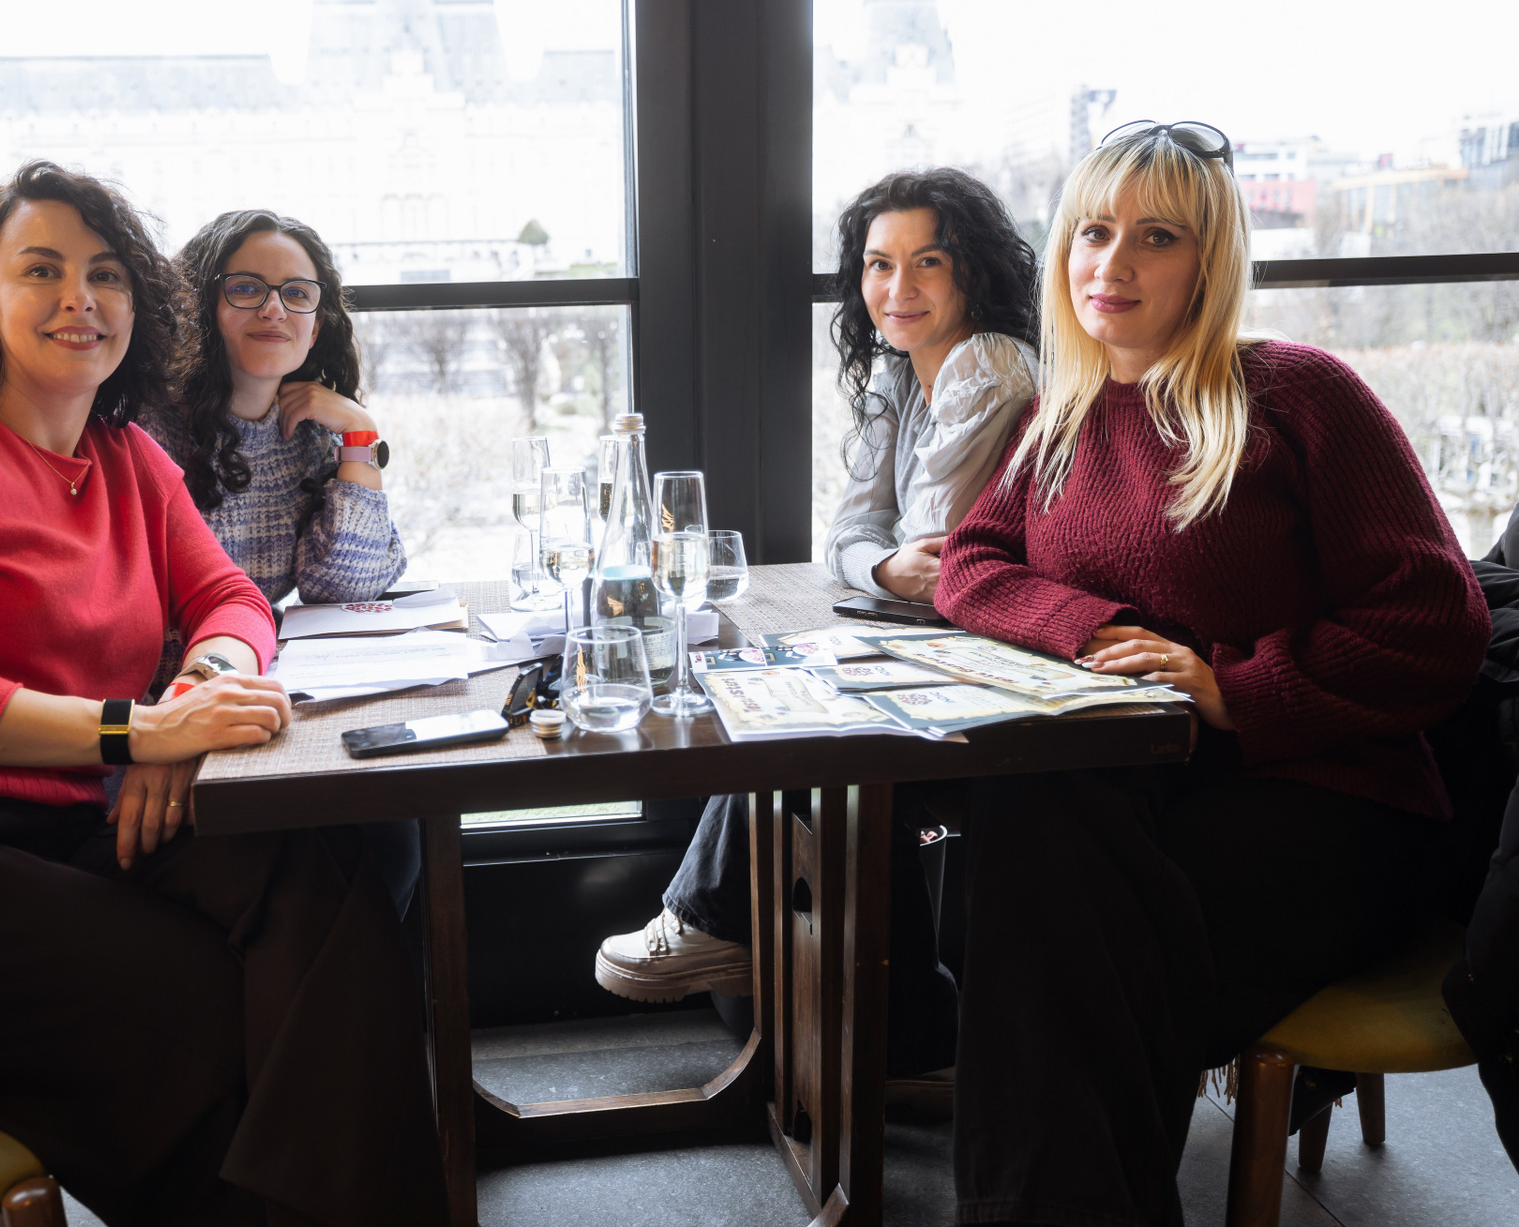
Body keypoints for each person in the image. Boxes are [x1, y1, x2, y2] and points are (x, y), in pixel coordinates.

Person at [0, 162, 448, 1227]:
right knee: (198, 990)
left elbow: (233, 603)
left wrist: (193, 702)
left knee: (320, 868)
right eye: (42, 270)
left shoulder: (130, 460)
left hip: (52, 828)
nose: (82, 298)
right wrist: (136, 731)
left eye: (107, 274)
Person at [934, 122, 1489, 1225]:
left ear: (1211, 260)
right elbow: (971, 563)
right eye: (1094, 232)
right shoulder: (1060, 414)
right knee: (1030, 860)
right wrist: (1095, 629)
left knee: (1043, 925)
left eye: (1158, 237)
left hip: (1326, 804)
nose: (1113, 263)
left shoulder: (1296, 396)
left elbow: (1438, 620)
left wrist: (1237, 687)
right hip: (1138, 797)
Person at [595, 169, 1039, 1083]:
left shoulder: (987, 363)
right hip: (939, 629)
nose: (897, 288)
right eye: (879, 264)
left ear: (976, 272)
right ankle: (901, 1035)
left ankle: (715, 926)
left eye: (929, 262)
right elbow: (853, 535)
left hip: (1008, 650)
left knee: (801, 707)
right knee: (780, 685)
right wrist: (878, 566)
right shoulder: (900, 370)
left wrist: (888, 558)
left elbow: (933, 539)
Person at [144, 209, 405, 608]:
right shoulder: (145, 431)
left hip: (261, 646)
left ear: (315, 329)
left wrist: (360, 432)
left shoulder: (312, 437)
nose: (274, 309)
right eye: (246, 288)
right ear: (200, 305)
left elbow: (345, 589)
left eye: (297, 293)